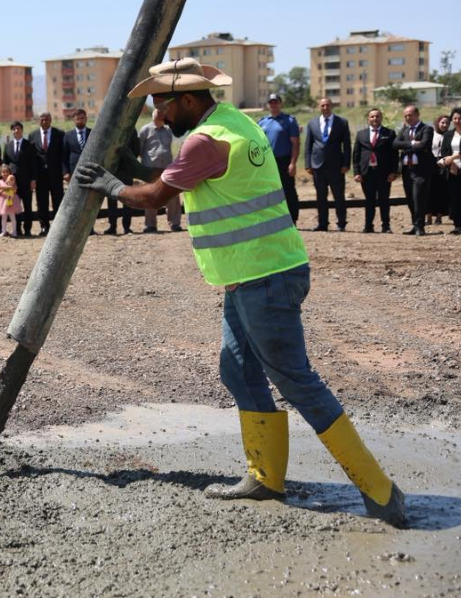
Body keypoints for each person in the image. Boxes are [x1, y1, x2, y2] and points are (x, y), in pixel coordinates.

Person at [75, 57, 407, 527]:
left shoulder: (205, 140)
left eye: (162, 105)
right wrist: (135, 167)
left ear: (187, 100)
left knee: (295, 381)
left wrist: (111, 184)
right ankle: (266, 478)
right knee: (238, 370)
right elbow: (184, 177)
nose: (159, 115)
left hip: (263, 276)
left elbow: (155, 197)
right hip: (255, 272)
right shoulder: (236, 124)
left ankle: (379, 489)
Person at [304, 98, 352, 231]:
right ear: (319, 107)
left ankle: (341, 223)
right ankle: (323, 223)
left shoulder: (341, 122)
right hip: (317, 165)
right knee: (321, 196)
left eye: (328, 105)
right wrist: (308, 163)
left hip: (336, 166)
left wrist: (346, 163)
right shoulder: (312, 123)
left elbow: (347, 145)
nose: (325, 108)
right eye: (323, 105)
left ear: (332, 106)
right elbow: (308, 145)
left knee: (339, 196)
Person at [351, 108, 398, 233]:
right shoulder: (361, 134)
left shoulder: (389, 133)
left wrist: (394, 172)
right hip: (367, 173)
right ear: (368, 119)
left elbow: (394, 154)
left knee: (384, 200)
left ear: (381, 118)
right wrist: (357, 172)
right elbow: (356, 155)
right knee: (369, 200)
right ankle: (368, 225)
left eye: (377, 116)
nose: (375, 119)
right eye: (372, 116)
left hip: (384, 173)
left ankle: (386, 226)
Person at [257, 94, 301, 222]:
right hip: (268, 163)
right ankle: (273, 219)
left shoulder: (289, 121)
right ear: (268, 105)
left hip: (284, 161)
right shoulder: (262, 123)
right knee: (269, 191)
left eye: (276, 102)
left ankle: (292, 219)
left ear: (281, 104)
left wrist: (293, 163)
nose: (273, 105)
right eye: (271, 102)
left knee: (288, 191)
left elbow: (295, 143)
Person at [137, 109, 181, 232]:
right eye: (158, 116)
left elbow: (169, 146)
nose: (161, 118)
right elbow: (140, 149)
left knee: (173, 195)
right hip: (150, 169)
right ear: (154, 117)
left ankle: (175, 223)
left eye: (162, 117)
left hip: (167, 168)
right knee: (151, 195)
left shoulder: (168, 130)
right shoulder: (145, 130)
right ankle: (150, 225)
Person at [394, 105, 435, 236]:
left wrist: (406, 148)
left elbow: (424, 144)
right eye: (405, 115)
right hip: (407, 170)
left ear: (417, 115)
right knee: (410, 199)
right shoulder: (404, 130)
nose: (408, 118)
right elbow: (395, 144)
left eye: (410, 115)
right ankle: (415, 225)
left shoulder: (426, 129)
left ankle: (420, 226)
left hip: (421, 170)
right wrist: (412, 144)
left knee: (419, 199)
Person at [28, 112, 66, 236]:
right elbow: (32, 158)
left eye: (47, 119)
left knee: (58, 201)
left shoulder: (59, 134)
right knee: (42, 202)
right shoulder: (32, 135)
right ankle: (44, 226)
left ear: (51, 120)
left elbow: (63, 155)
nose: (44, 122)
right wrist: (33, 177)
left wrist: (64, 172)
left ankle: (58, 227)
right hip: (40, 176)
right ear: (39, 120)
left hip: (56, 174)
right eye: (42, 119)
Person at [439, 107, 461, 234]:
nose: (457, 121)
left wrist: (453, 157)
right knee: (455, 198)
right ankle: (458, 225)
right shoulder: (448, 134)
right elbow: (444, 151)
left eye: (460, 118)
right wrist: (451, 163)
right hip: (453, 170)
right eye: (454, 118)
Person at [2, 121, 38, 237]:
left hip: (26, 181)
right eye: (14, 129)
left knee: (27, 206)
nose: (16, 131)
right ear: (12, 131)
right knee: (15, 206)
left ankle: (27, 229)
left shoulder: (30, 145)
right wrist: (5, 180)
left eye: (18, 128)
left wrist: (33, 180)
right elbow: (5, 164)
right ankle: (17, 229)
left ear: (22, 130)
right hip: (12, 183)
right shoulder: (8, 145)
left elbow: (33, 163)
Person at [105, 128, 141, 235]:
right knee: (112, 199)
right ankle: (112, 226)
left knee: (127, 199)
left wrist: (129, 162)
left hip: (126, 170)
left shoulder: (131, 129)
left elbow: (136, 149)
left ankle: (127, 227)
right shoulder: (109, 129)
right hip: (112, 170)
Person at [427, 112, 451, 226]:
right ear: (437, 123)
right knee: (429, 190)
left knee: (442, 190)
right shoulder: (431, 134)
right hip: (431, 163)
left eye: (447, 123)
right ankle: (428, 216)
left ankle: (439, 216)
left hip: (444, 164)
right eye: (443, 123)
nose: (445, 125)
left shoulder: (450, 135)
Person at [0, 164, 24, 237]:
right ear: (1, 173)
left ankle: (14, 231)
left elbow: (15, 190)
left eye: (7, 172)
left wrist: (10, 187)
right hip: (2, 201)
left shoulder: (12, 181)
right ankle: (4, 231)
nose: (5, 173)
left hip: (11, 200)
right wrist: (4, 190)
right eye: (3, 172)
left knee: (12, 216)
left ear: (9, 173)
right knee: (4, 217)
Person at [62, 109, 91, 183]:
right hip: (74, 170)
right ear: (73, 120)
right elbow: (64, 155)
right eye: (77, 119)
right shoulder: (67, 135)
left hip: (90, 169)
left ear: (86, 118)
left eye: (82, 118)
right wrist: (65, 172)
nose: (80, 121)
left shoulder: (92, 133)